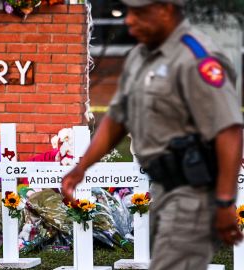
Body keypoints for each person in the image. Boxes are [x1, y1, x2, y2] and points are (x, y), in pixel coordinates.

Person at [61, 0, 244, 269]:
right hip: (161, 188)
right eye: (129, 12)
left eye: (139, 12)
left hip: (194, 193)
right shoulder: (140, 57)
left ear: (166, 9)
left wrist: (226, 201)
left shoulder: (197, 57)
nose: (129, 21)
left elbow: (228, 130)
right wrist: (81, 169)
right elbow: (117, 118)